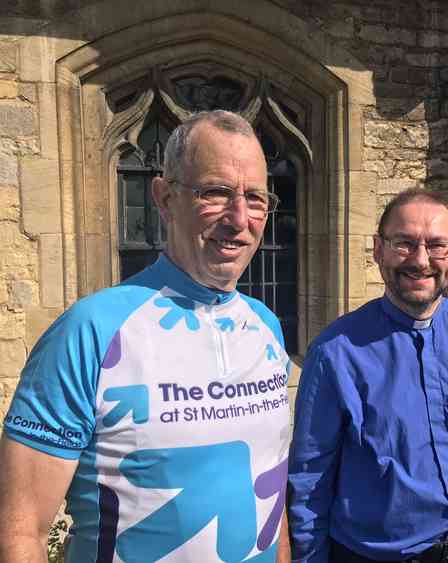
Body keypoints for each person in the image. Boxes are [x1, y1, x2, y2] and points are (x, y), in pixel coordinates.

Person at [0, 110, 291, 563]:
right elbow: (20, 533)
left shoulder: (265, 326)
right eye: (214, 192)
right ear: (163, 198)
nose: (239, 218)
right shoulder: (90, 331)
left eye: (255, 198)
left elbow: (269, 487)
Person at [287, 189, 448, 563]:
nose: (420, 260)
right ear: (378, 250)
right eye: (404, 244)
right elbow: (309, 482)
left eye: (436, 245)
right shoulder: (336, 353)